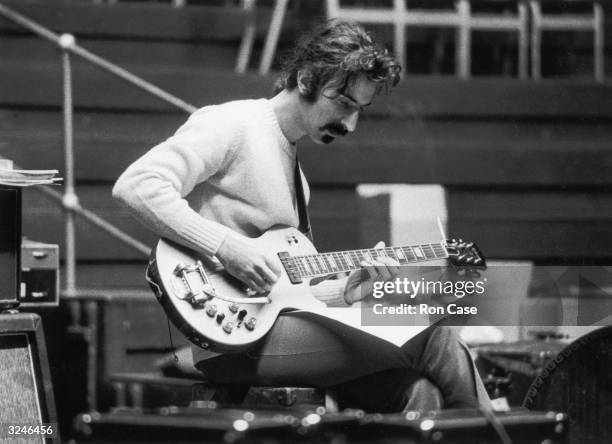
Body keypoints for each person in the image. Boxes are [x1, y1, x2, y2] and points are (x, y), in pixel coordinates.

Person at [113, 19, 489, 412]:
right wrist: (226, 246)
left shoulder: (297, 178)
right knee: (434, 336)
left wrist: (347, 289)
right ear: (307, 78)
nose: (349, 124)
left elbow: (287, 292)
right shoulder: (234, 124)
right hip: (230, 338)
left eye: (360, 110)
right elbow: (137, 185)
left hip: (275, 328)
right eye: (343, 104)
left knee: (416, 390)